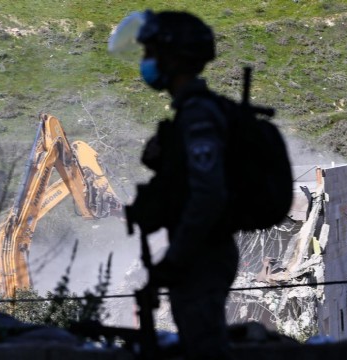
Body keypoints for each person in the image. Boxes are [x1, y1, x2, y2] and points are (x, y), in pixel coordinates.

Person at [118, 10, 238, 360]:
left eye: (151, 54)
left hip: (204, 253)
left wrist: (176, 257)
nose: (146, 63)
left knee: (205, 348)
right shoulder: (190, 113)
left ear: (173, 58)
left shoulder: (199, 116)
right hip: (199, 251)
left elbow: (208, 195)